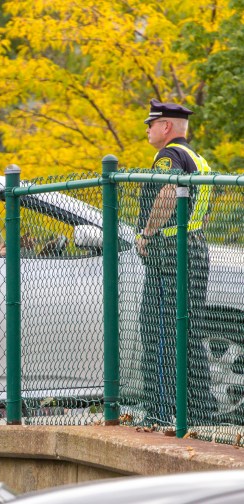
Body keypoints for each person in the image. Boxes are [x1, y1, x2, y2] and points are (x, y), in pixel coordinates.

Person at [135, 99, 212, 426]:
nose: (148, 130)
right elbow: (205, 210)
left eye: (150, 124)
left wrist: (148, 233)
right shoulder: (198, 158)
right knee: (189, 331)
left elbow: (168, 192)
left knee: (159, 331)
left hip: (170, 252)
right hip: (193, 248)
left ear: (165, 126)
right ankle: (197, 413)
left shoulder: (169, 156)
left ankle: (160, 412)